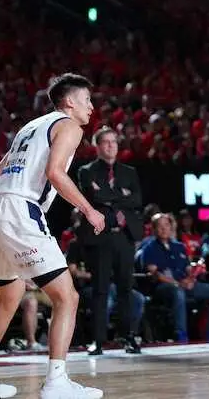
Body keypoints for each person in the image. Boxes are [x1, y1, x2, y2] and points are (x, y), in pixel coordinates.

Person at [0, 72, 106, 399]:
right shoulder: (70, 126)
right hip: (20, 209)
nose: (91, 108)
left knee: (8, 300)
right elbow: (55, 173)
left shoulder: (30, 127)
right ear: (70, 102)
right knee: (67, 297)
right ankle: (56, 382)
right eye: (87, 101)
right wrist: (88, 209)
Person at [76, 127, 144, 355]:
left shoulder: (129, 172)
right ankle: (98, 340)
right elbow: (95, 197)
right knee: (100, 290)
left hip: (124, 237)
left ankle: (128, 337)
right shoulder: (87, 171)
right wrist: (120, 195)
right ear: (98, 146)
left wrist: (109, 195)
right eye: (105, 142)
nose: (111, 146)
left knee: (126, 289)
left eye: (114, 142)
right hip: (100, 237)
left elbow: (136, 200)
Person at [139, 213, 209, 343]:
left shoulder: (179, 247)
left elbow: (188, 269)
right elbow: (156, 274)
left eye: (166, 225)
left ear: (171, 227)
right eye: (160, 226)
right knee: (178, 292)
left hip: (184, 283)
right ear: (154, 229)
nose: (164, 229)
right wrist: (177, 283)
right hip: (164, 287)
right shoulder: (149, 249)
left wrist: (191, 280)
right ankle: (181, 334)